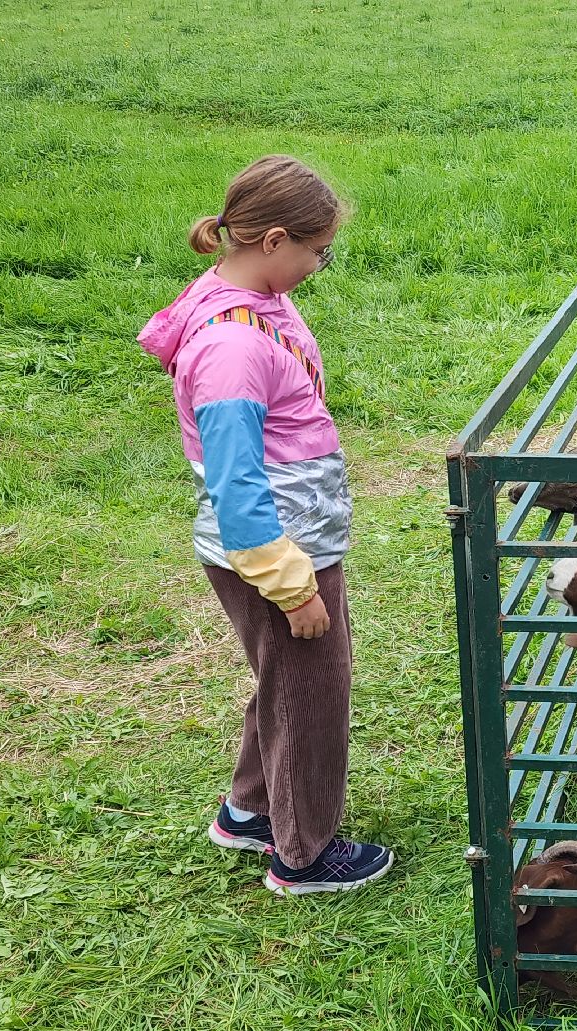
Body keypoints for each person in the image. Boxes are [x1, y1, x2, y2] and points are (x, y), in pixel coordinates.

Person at [138, 155, 394, 896]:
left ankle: (250, 810)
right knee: (313, 692)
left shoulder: (251, 302)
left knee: (285, 681)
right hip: (275, 553)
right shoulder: (233, 348)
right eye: (319, 251)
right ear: (275, 239)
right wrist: (293, 588)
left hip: (290, 539)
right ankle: (304, 854)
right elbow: (237, 486)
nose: (321, 263)